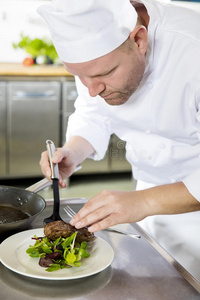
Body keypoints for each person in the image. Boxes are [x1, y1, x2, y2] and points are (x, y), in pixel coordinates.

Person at [38, 0, 200, 276]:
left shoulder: (192, 49)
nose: (92, 89)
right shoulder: (96, 62)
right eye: (80, 76)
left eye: (104, 73)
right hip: (146, 206)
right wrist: (74, 151)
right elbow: (94, 113)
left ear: (138, 40)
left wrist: (145, 202)